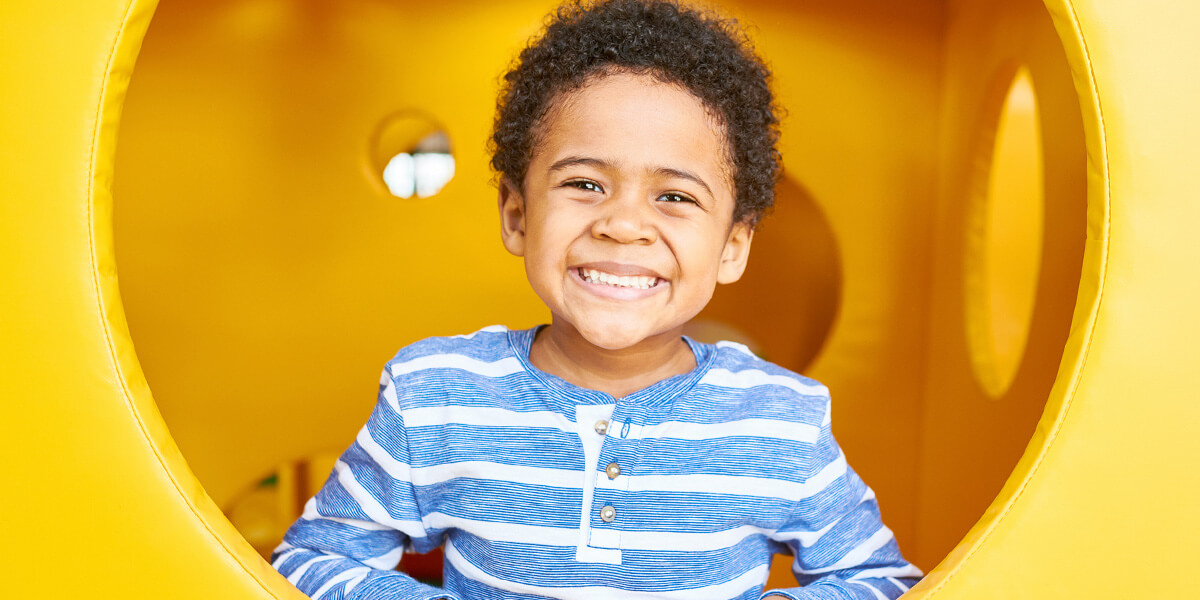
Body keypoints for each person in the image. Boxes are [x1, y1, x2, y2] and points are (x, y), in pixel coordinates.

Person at [271, 1, 922, 598]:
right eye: (585, 183)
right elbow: (310, 562)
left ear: (733, 246)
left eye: (674, 196)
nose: (623, 224)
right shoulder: (434, 396)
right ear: (518, 215)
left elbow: (882, 581)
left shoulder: (780, 421)